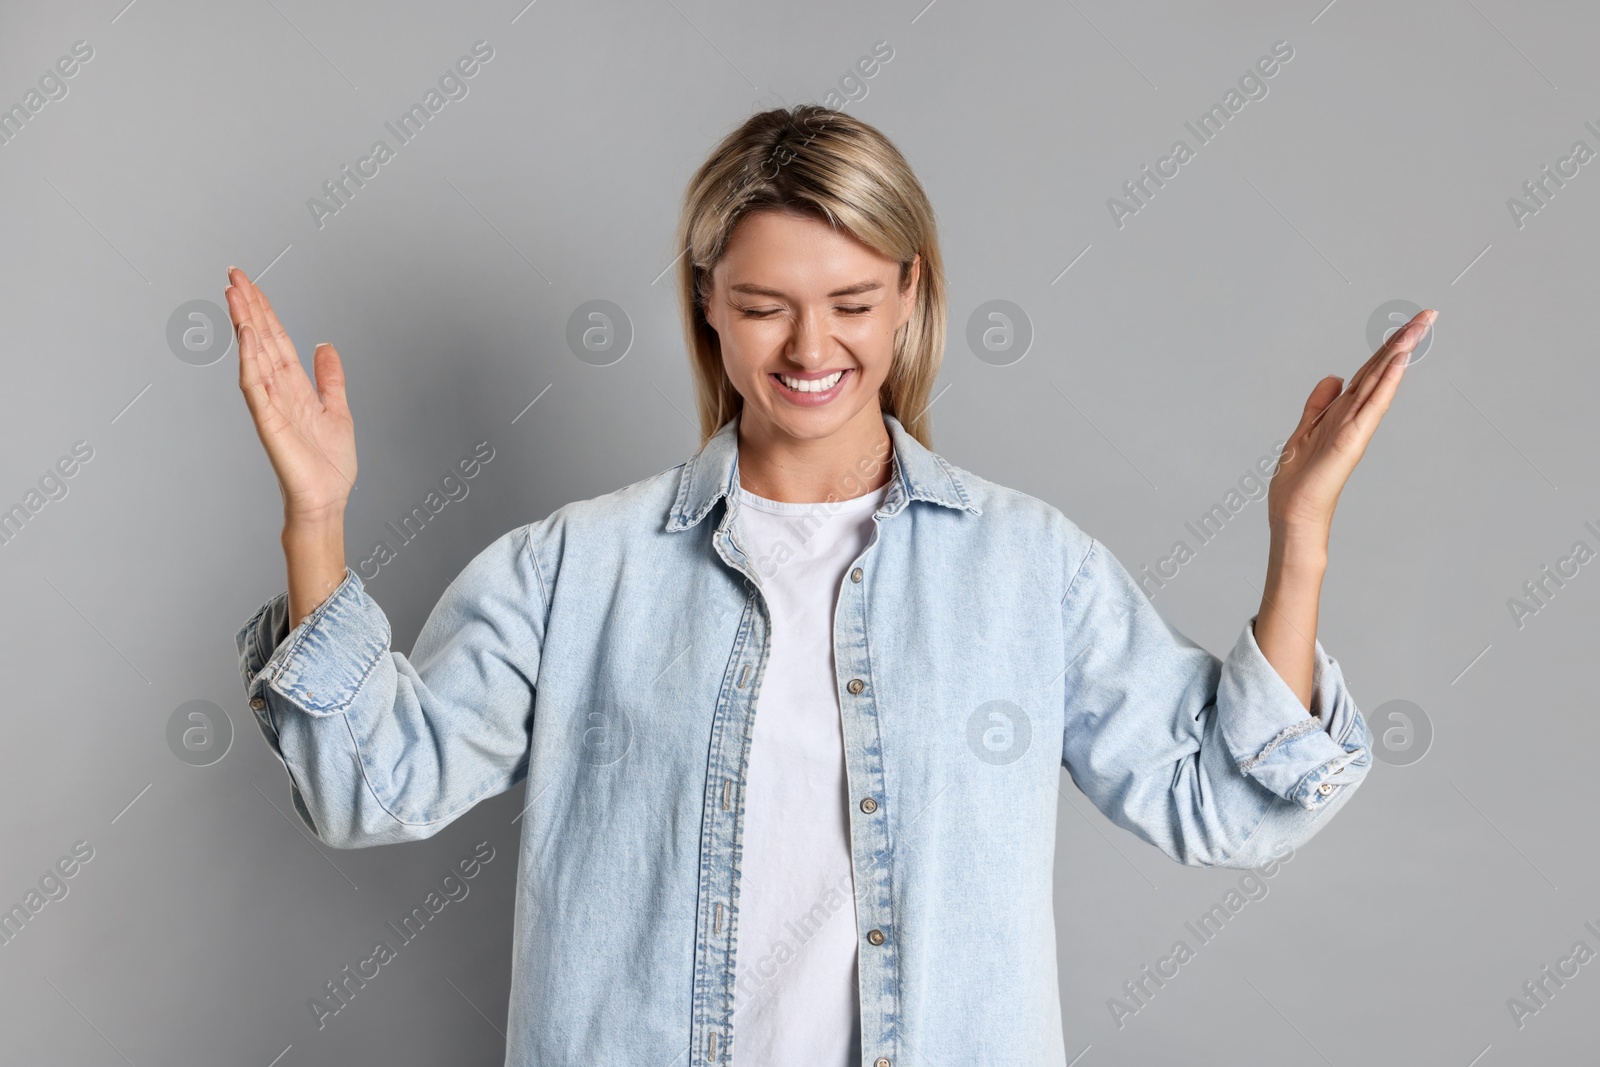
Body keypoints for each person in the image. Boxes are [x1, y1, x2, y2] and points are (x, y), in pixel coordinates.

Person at [229, 104, 1435, 1067]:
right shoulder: (576, 568)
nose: (811, 350)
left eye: (852, 304)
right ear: (706, 303)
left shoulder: (1025, 566)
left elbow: (1226, 801)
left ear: (910, 293)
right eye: (764, 306)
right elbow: (369, 788)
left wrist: (1300, 532)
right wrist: (318, 517)